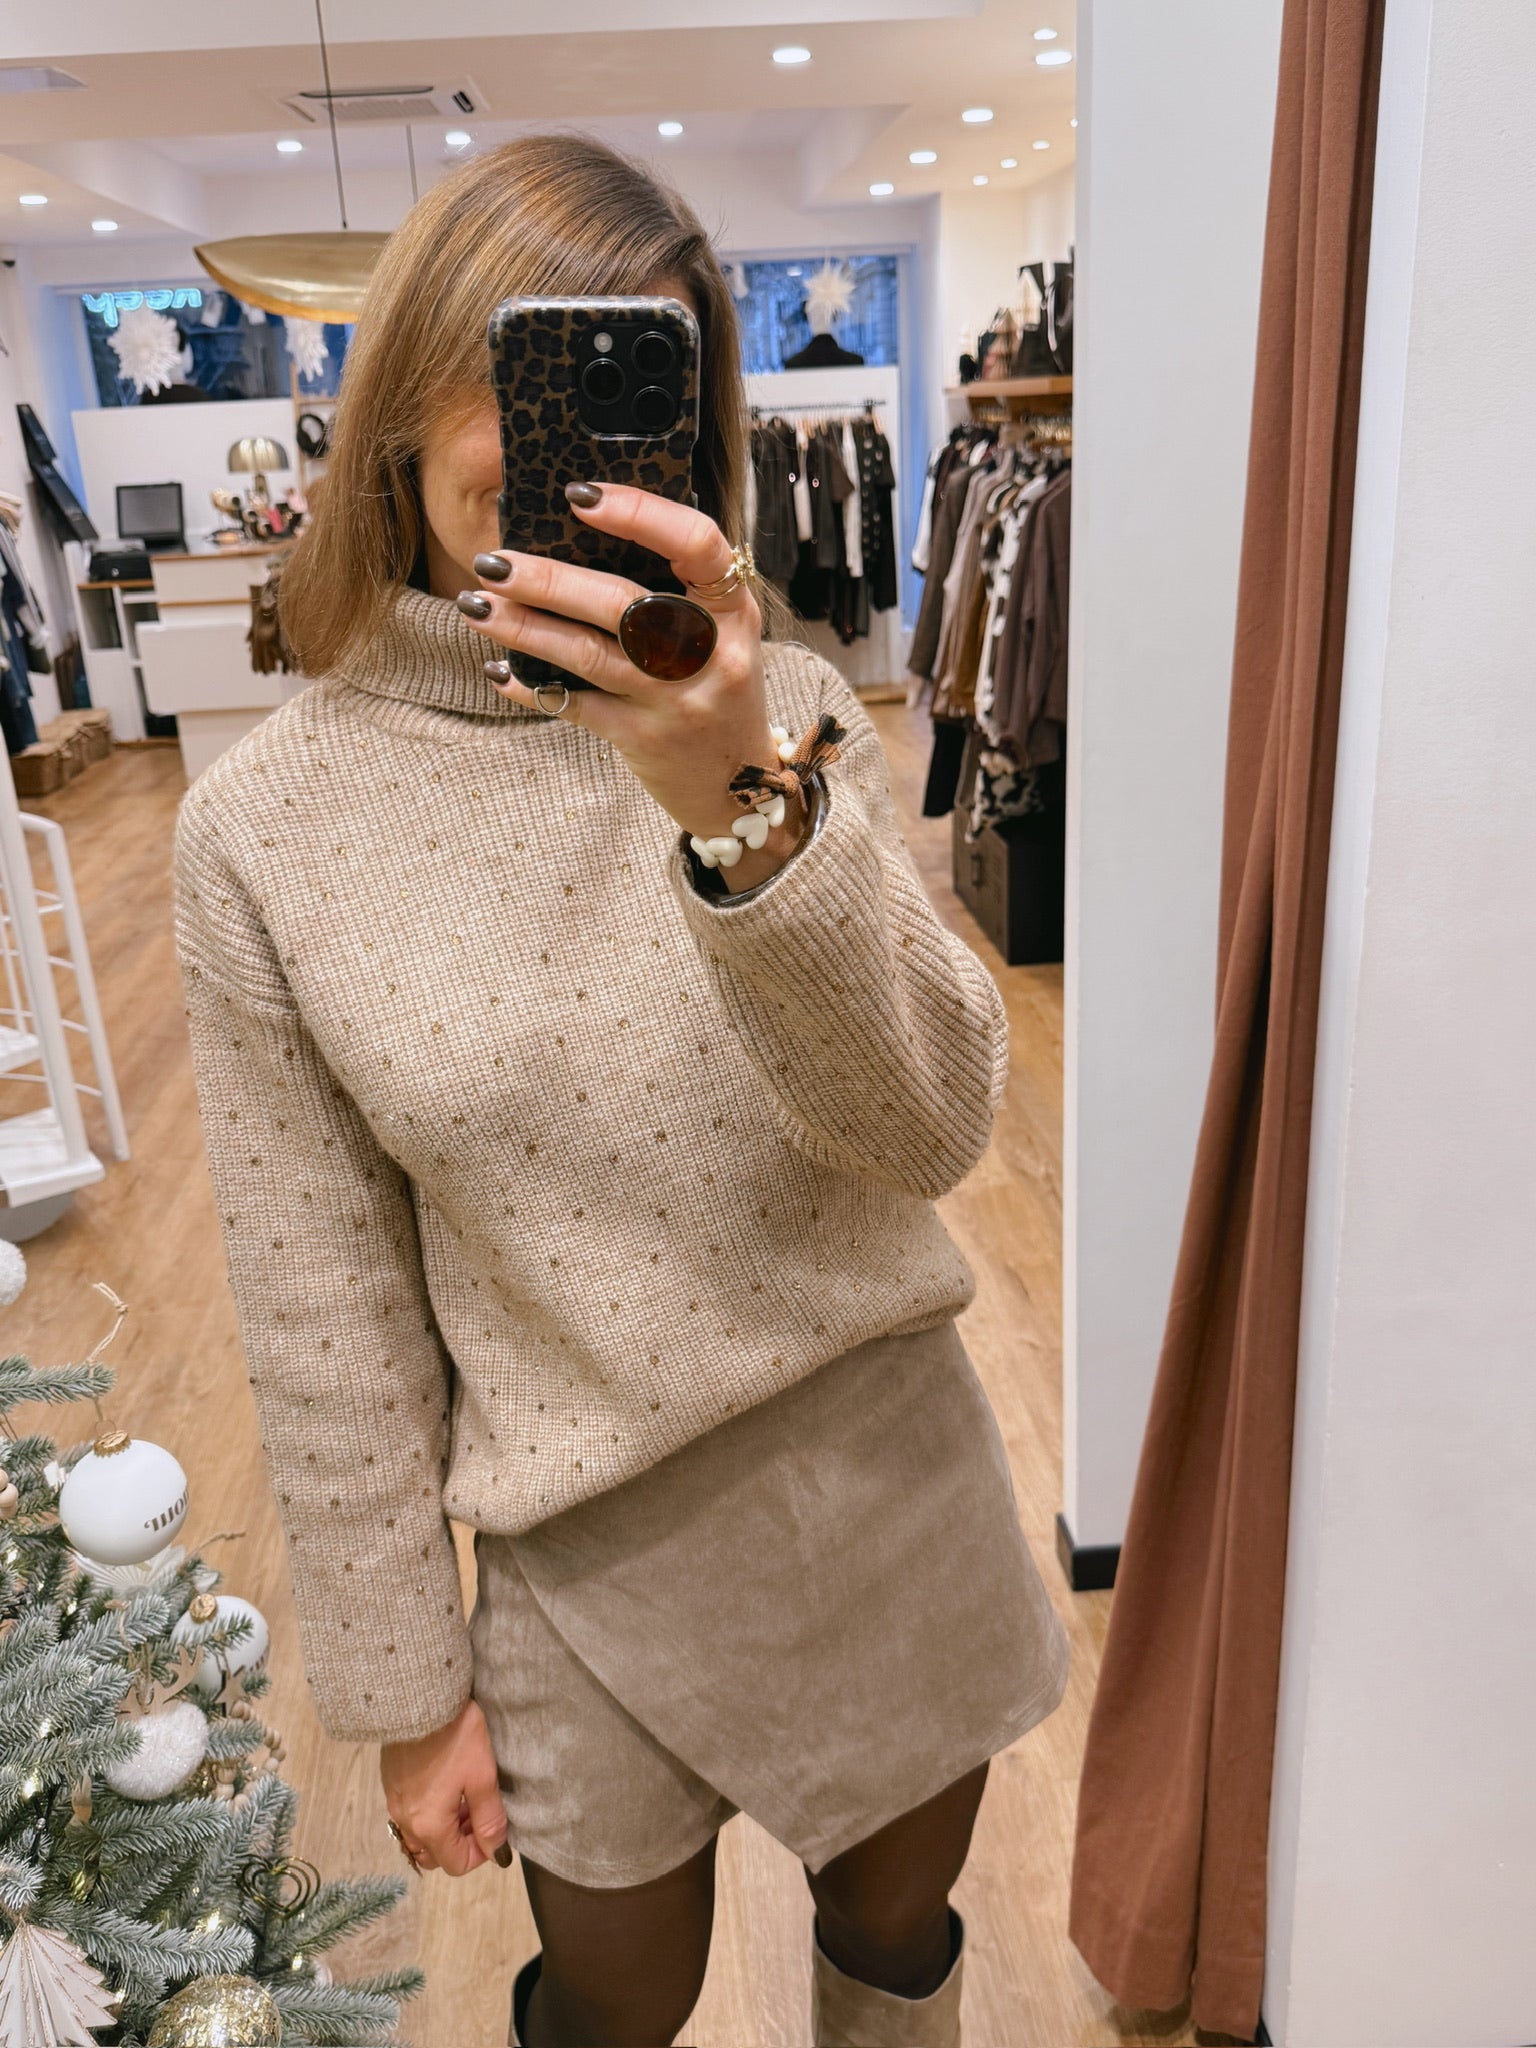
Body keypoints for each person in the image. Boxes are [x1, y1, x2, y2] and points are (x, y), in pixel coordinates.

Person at [174, 133, 1070, 2048]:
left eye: (618, 384)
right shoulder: (266, 830)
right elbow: (322, 1308)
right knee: (612, 2006)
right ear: (399, 401)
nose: (550, 448)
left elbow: (935, 1125)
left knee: (898, 1953)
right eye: (507, 373)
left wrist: (739, 801)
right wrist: (406, 1690)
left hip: (885, 1484)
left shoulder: (785, 715)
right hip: (579, 1549)